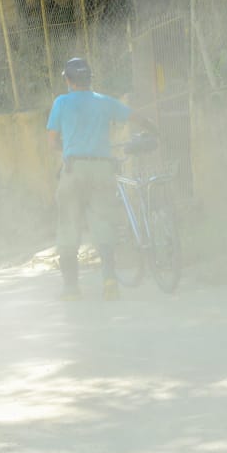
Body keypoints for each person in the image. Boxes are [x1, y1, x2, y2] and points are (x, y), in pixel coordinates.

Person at [46, 57, 152, 301]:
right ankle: (110, 281)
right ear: (90, 79)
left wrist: (70, 149)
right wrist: (153, 127)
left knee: (68, 227)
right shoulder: (104, 102)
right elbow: (135, 116)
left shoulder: (61, 102)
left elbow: (52, 142)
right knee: (103, 224)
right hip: (103, 169)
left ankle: (72, 289)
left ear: (68, 80)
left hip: (74, 169)